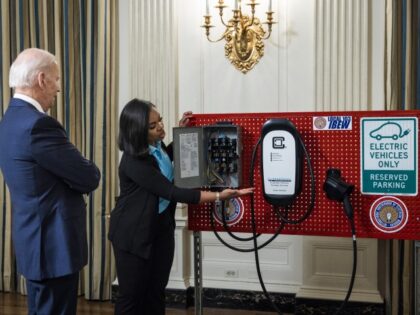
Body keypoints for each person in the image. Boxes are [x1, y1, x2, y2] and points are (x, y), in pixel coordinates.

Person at [108, 98, 253, 315]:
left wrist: (181, 133)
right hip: (133, 236)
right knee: (132, 297)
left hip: (159, 229)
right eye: (153, 126)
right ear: (137, 132)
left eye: (161, 121)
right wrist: (218, 196)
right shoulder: (134, 162)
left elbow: (166, 159)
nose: (161, 127)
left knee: (156, 292)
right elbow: (171, 191)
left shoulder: (157, 148)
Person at [0, 48, 101, 315]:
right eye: (56, 80)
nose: (58, 88)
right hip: (53, 247)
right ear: (42, 79)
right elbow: (90, 177)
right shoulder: (39, 126)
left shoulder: (10, 120)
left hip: (35, 243)